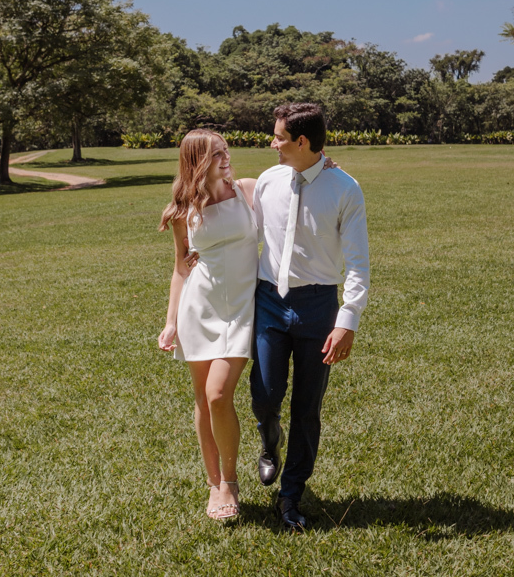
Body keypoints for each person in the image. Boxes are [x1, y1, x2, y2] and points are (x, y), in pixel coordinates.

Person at [251, 102, 370, 532]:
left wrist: (347, 319)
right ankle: (269, 440)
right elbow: (251, 236)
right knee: (265, 395)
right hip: (268, 300)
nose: (272, 143)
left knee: (306, 407)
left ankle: (290, 497)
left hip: (319, 306)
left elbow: (358, 263)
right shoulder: (268, 180)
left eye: (279, 137)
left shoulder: (345, 189)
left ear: (302, 141)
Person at [158, 129, 258, 520]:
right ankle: (214, 485)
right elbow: (182, 268)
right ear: (197, 162)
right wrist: (170, 323)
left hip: (243, 307)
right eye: (216, 154)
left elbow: (292, 184)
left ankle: (230, 481)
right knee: (203, 398)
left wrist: (326, 164)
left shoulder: (248, 190)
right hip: (199, 308)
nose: (225, 158)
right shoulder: (184, 212)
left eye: (226, 151)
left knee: (219, 394)